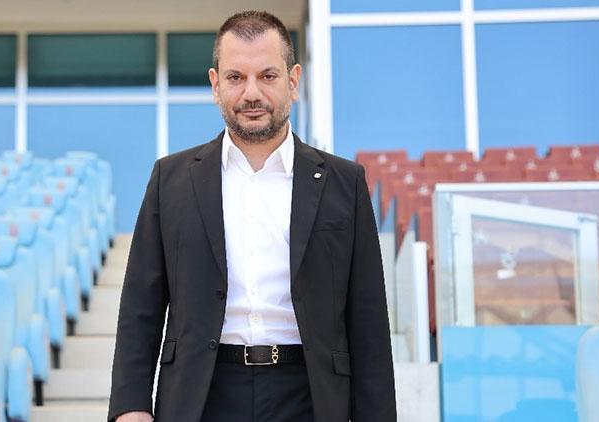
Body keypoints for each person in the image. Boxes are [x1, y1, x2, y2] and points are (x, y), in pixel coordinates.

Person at [108, 10, 396, 422]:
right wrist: (130, 406)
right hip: (201, 397)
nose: (252, 93)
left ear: (293, 81)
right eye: (236, 77)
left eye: (267, 76)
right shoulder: (170, 180)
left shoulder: (344, 183)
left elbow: (368, 321)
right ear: (215, 84)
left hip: (310, 397)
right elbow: (141, 304)